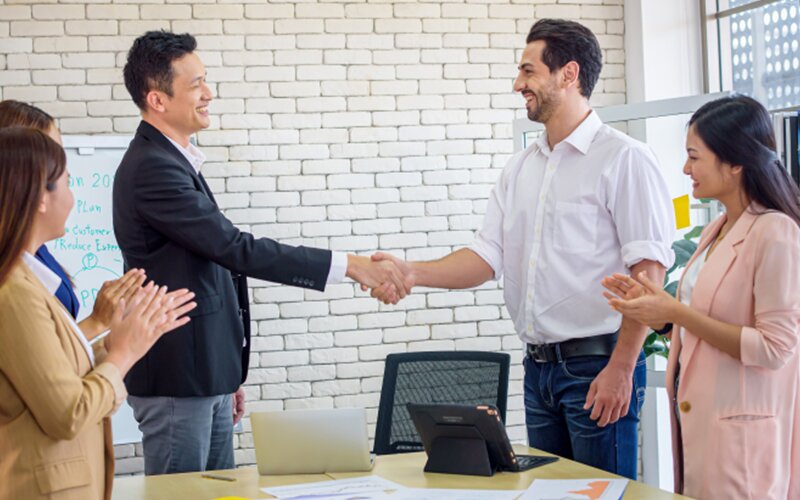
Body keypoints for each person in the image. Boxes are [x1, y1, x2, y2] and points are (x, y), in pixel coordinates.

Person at [371, 19, 674, 478]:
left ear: (568, 74)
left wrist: (622, 367)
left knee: (601, 494)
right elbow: (485, 257)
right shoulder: (521, 168)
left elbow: (648, 275)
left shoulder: (623, 158)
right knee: (549, 493)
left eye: (528, 72)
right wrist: (412, 271)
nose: (518, 84)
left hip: (599, 365)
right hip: (539, 373)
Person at [114, 30, 408, 475]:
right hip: (178, 380)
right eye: (196, 85)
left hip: (203, 374)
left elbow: (206, 272)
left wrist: (226, 374)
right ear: (158, 99)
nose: (208, 94)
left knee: (217, 490)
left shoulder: (173, 161)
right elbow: (234, 249)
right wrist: (348, 266)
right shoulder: (152, 169)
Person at [602, 95, 800, 499]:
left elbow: (776, 348)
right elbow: (704, 319)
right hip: (703, 424)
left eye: (694, 157)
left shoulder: (775, 231)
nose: (685, 169)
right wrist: (659, 312)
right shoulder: (719, 228)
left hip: (742, 440)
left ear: (735, 162)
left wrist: (677, 311)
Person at [0, 127, 196, 500]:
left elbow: (58, 373)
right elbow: (68, 414)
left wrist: (129, 337)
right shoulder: (15, 293)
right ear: (41, 196)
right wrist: (123, 354)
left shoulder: (27, 281)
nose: (73, 199)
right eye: (68, 183)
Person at [0, 100, 146, 338]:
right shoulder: (13, 278)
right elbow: (47, 364)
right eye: (50, 155)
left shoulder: (35, 252)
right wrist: (101, 325)